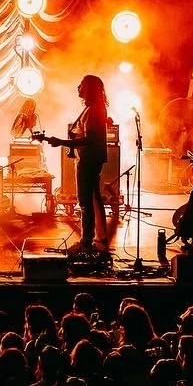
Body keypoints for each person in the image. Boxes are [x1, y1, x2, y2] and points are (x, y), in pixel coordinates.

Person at [38, 74, 114, 254]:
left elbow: (91, 139)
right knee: (94, 199)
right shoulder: (93, 108)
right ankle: (98, 239)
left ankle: (86, 242)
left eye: (81, 85)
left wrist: (63, 142)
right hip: (89, 158)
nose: (78, 88)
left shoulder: (94, 110)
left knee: (86, 202)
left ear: (89, 88)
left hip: (89, 160)